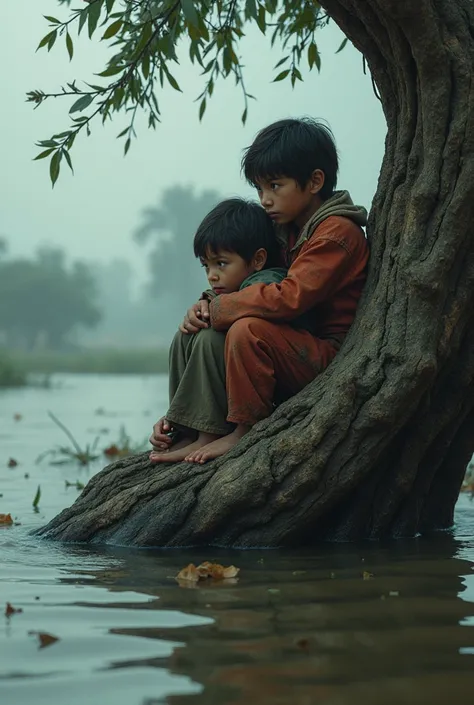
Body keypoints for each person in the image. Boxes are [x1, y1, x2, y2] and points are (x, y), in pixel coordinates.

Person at [150, 117, 369, 464]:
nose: (265, 200)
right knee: (192, 333)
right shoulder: (288, 229)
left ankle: (243, 430)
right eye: (259, 189)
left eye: (275, 186)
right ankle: (187, 426)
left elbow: (288, 297)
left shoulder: (335, 233)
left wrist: (222, 310)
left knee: (246, 329)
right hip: (293, 343)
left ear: (314, 182)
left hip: (328, 354)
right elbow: (249, 277)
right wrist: (207, 304)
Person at [150, 197, 301, 463]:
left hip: (276, 384)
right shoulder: (232, 290)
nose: (212, 275)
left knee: (208, 339)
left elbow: (248, 309)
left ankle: (208, 434)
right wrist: (203, 306)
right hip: (242, 383)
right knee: (184, 336)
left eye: (221, 264)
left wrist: (209, 307)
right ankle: (185, 427)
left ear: (257, 260)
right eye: (206, 266)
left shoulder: (268, 283)